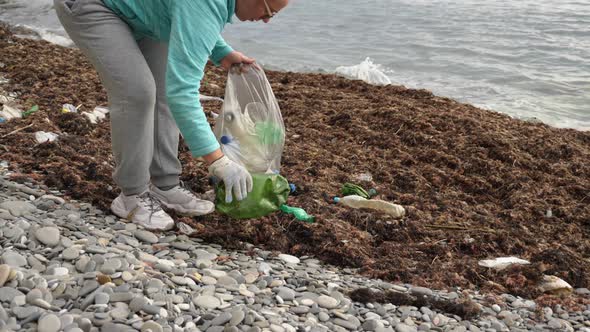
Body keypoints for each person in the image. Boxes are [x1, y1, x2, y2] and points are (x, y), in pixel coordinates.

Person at [54, 0, 290, 231]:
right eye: (270, 11)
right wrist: (219, 161)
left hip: (142, 12)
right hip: (95, 6)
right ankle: (131, 195)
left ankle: (165, 186)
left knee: (165, 92)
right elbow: (184, 93)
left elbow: (190, 19)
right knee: (138, 93)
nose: (267, 20)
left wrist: (222, 51)